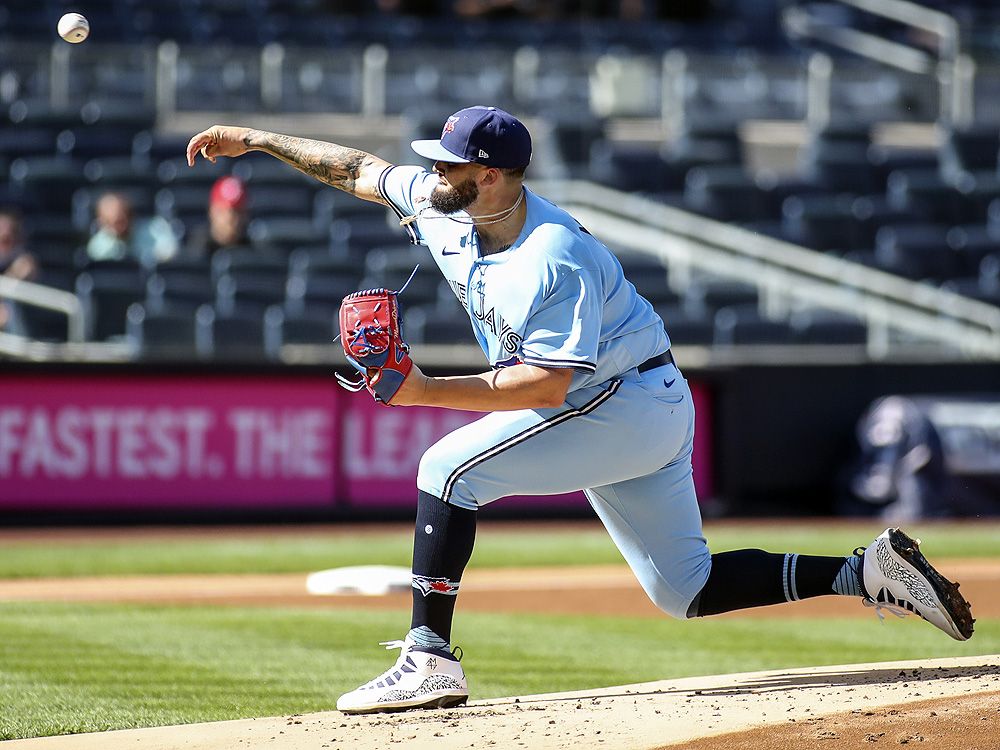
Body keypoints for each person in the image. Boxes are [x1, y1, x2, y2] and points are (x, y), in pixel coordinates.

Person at [186, 106, 975, 715]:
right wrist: (256, 139)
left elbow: (545, 389)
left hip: (619, 405)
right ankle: (863, 572)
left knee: (446, 467)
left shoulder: (551, 255)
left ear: (491, 176)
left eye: (452, 162)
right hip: (639, 402)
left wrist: (425, 391)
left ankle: (429, 656)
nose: (435, 171)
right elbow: (358, 168)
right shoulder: (443, 203)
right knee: (684, 588)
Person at [86, 191, 178, 267]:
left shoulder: (156, 230)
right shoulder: (98, 246)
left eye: (121, 220)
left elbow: (170, 254)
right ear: (101, 222)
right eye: (109, 222)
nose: (118, 227)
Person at [184, 176, 251, 258]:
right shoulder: (197, 248)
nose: (230, 218)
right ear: (212, 211)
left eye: (238, 212)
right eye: (223, 211)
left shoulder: (253, 249)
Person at [0, 209, 39, 330]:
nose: (5, 233)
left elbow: (28, 271)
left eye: (7, 238)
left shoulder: (24, 260)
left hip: (20, 324)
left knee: (10, 307)